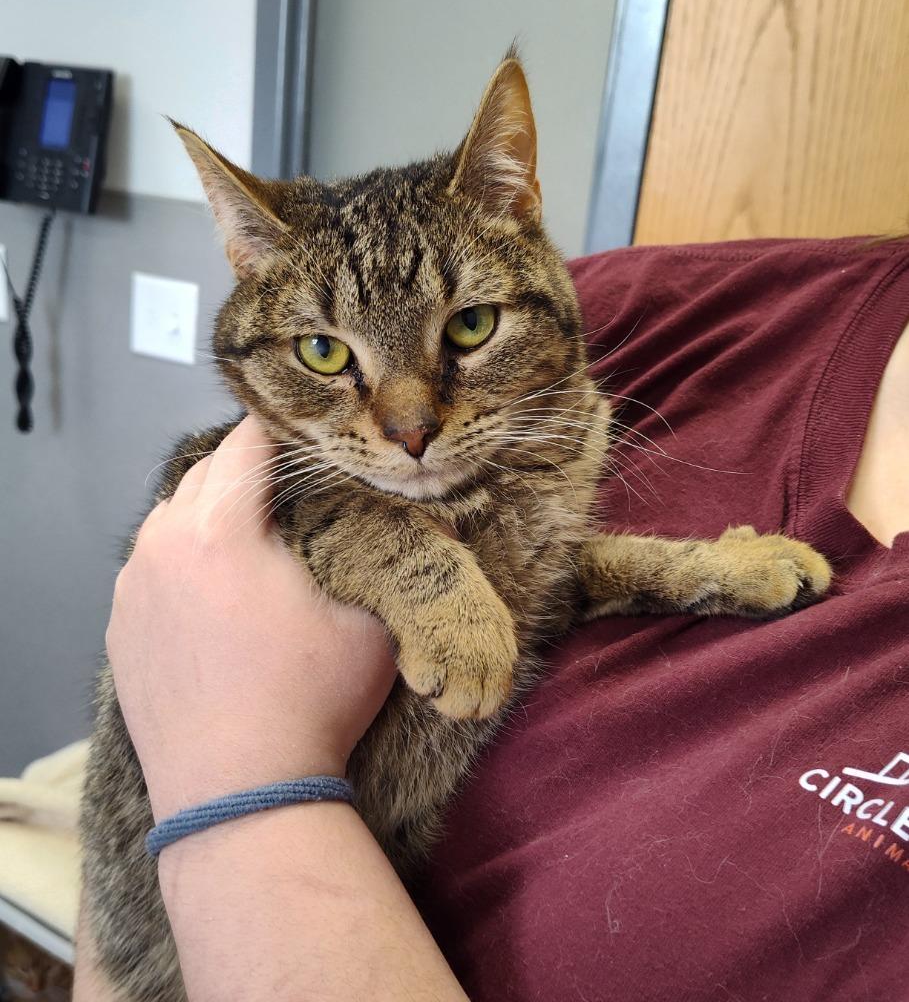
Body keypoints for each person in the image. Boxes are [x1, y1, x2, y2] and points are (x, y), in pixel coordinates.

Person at [75, 235, 909, 1002]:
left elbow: (521, 578)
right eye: (328, 351)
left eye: (464, 328)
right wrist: (413, 568)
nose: (409, 425)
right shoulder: (680, 299)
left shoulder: (551, 375)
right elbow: (183, 565)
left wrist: (672, 572)